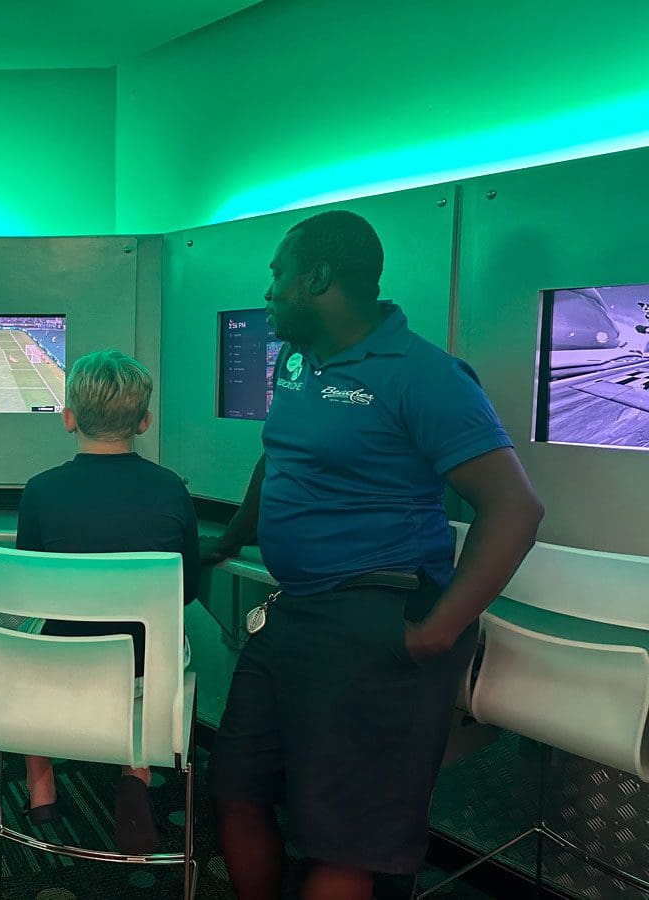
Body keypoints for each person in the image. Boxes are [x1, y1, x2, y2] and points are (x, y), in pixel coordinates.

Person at [204, 210, 544, 900]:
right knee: (236, 789)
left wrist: (439, 630)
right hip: (296, 616)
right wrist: (235, 536)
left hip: (376, 621)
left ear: (317, 277)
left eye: (277, 273)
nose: (267, 290)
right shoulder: (298, 360)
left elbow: (515, 508)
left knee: (342, 840)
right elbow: (281, 457)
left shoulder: (425, 375)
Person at [17, 349, 200, 855]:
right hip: (145, 672)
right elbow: (185, 593)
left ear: (68, 417)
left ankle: (41, 789)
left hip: (61, 668)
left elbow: (31, 588)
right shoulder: (170, 490)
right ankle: (135, 776)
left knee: (26, 641)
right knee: (159, 640)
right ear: (144, 420)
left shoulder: (40, 491)